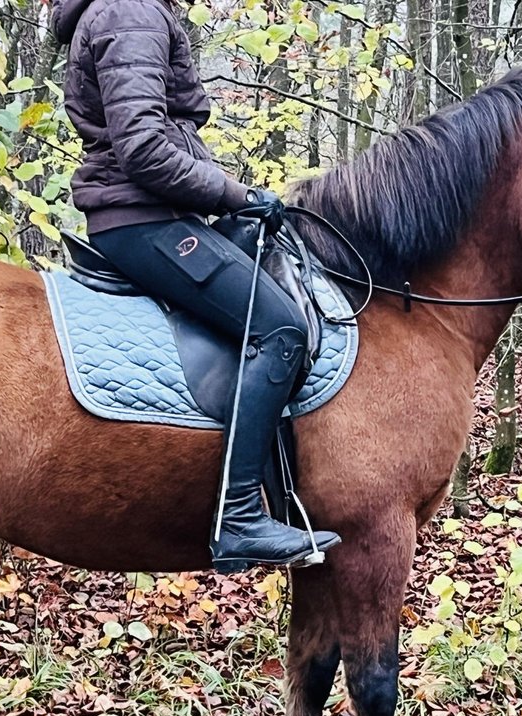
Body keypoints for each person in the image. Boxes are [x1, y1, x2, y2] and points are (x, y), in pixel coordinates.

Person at [51, 0, 340, 573]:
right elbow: (143, 149)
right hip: (143, 220)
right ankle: (239, 519)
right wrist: (237, 196)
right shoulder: (129, 11)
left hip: (156, 214)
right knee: (279, 328)